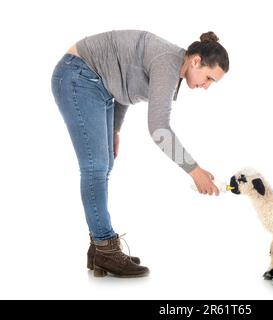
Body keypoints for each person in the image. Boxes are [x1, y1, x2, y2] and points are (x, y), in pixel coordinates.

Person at [51, 30, 230, 277]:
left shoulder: (173, 65)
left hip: (96, 84)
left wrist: (114, 130)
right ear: (196, 61)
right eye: (209, 78)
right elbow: (159, 128)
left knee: (104, 166)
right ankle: (105, 247)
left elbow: (125, 87)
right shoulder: (167, 63)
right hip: (78, 75)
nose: (207, 87)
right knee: (95, 166)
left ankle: (99, 248)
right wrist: (194, 171)